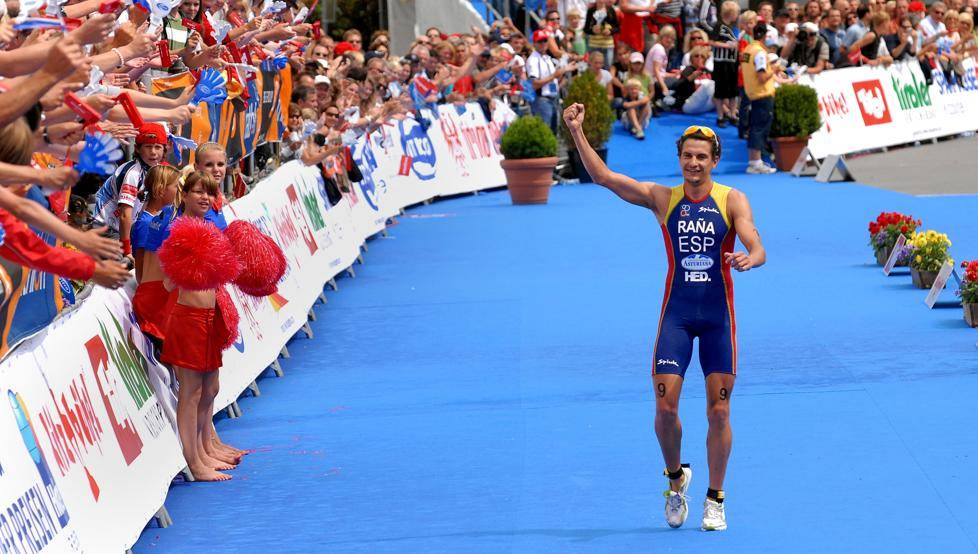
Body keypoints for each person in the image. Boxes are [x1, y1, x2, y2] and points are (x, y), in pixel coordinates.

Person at [562, 103, 766, 532]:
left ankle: (715, 499)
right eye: (687, 156)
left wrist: (754, 257)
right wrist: (577, 131)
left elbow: (753, 237)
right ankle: (676, 481)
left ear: (713, 161)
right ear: (680, 159)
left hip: (717, 319)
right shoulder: (663, 199)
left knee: (719, 413)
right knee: (665, 408)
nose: (694, 163)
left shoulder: (732, 199)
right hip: (675, 316)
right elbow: (604, 178)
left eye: (702, 157)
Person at [93, 123, 168, 263]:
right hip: (105, 229)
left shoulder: (156, 169)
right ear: (138, 149)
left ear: (164, 150)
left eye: (158, 147)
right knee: (126, 263)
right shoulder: (133, 173)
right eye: (148, 146)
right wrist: (127, 251)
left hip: (123, 228)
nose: (153, 152)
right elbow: (124, 215)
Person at [741, 23, 779, 174]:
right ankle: (755, 162)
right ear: (765, 36)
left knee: (755, 127)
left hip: (752, 93)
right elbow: (762, 77)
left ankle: (754, 161)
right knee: (760, 128)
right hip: (762, 93)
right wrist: (774, 69)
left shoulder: (747, 50)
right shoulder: (760, 53)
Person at [527, 30, 571, 134]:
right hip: (542, 100)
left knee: (553, 132)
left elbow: (552, 79)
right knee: (544, 133)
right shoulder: (533, 60)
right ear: (534, 43)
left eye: (545, 41)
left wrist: (562, 74)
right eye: (540, 41)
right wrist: (555, 75)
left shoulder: (546, 58)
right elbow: (534, 84)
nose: (543, 44)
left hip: (553, 98)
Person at [710, 1, 741, 127]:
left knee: (733, 91)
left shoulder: (734, 28)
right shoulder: (718, 26)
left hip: (732, 63)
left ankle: (733, 114)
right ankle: (720, 116)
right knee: (720, 91)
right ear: (730, 12)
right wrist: (727, 45)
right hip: (721, 63)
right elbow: (711, 42)